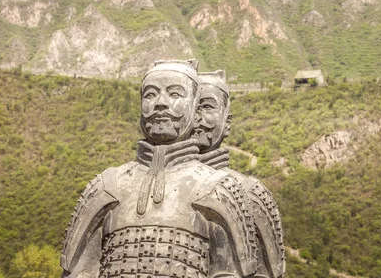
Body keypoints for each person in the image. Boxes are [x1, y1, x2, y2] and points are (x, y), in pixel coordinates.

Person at [61, 59, 258, 278]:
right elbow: (78, 272)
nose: (160, 104)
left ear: (195, 110)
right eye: (151, 95)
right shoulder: (107, 186)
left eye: (175, 94)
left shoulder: (219, 189)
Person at [195, 70, 286, 278]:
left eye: (207, 106)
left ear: (227, 123)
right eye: (193, 106)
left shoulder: (250, 192)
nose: (197, 116)